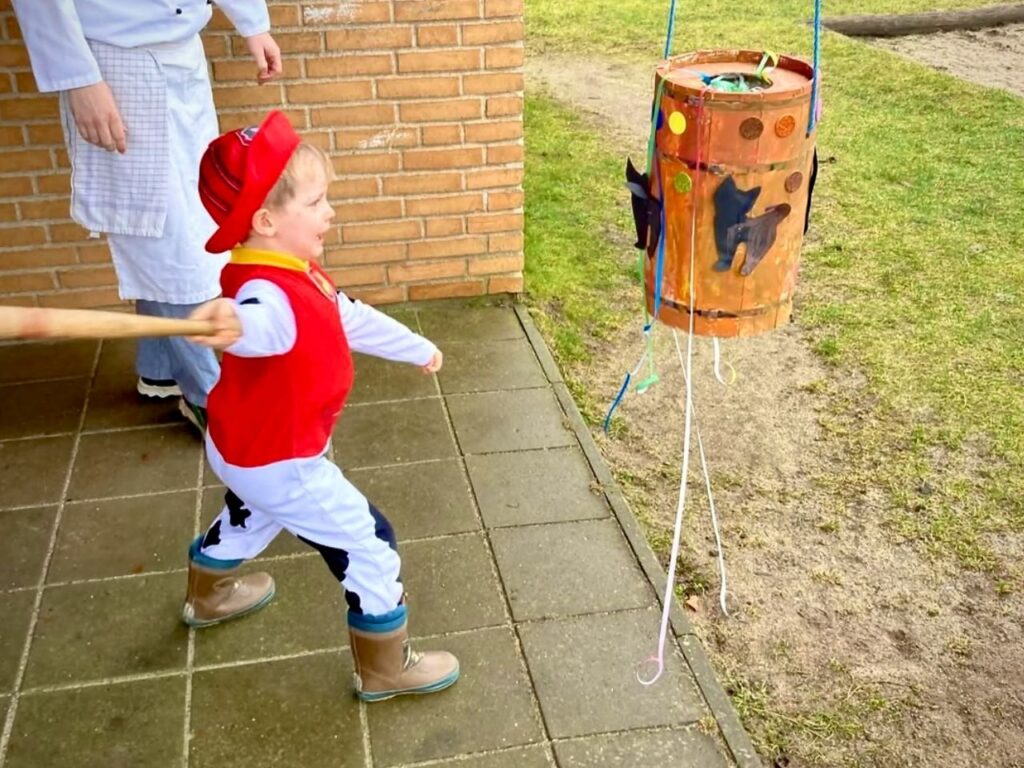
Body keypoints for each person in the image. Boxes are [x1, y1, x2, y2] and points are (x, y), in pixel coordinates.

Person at [180, 111, 460, 701]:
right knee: (370, 542)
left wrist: (416, 348)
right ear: (265, 220)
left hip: (245, 447)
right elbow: (262, 326)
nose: (330, 211)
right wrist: (230, 324)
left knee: (253, 513)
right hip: (282, 459)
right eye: (316, 201)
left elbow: (346, 314)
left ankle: (206, 597)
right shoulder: (263, 296)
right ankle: (385, 669)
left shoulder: (294, 272)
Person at [12, 1, 282, 430]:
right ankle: (205, 394)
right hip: (114, 64)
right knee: (167, 239)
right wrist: (80, 79)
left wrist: (252, 22)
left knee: (188, 221)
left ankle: (159, 368)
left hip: (181, 49)